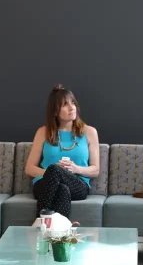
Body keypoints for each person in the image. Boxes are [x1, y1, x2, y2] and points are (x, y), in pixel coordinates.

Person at [25, 84, 100, 218]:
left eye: (73, 103)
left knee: (57, 173)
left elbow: (95, 170)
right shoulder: (43, 132)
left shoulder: (89, 132)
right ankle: (61, 234)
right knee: (61, 187)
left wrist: (75, 169)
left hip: (78, 184)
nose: (72, 108)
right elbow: (30, 168)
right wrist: (52, 174)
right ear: (55, 111)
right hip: (44, 183)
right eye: (65, 104)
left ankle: (40, 222)